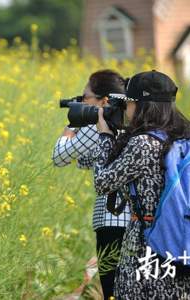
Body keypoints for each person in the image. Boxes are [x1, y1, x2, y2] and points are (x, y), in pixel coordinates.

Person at [94, 70, 190, 299]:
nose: (126, 110)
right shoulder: (188, 140)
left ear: (140, 105)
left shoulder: (143, 144)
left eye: (129, 104)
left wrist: (105, 137)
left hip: (149, 246)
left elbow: (102, 182)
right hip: (185, 247)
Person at [52, 69, 130, 300]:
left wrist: (73, 122)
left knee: (112, 289)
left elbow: (59, 156)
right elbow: (92, 160)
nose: (82, 100)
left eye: (86, 97)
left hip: (111, 221)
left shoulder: (97, 124)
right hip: (136, 222)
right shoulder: (129, 120)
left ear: (104, 101)